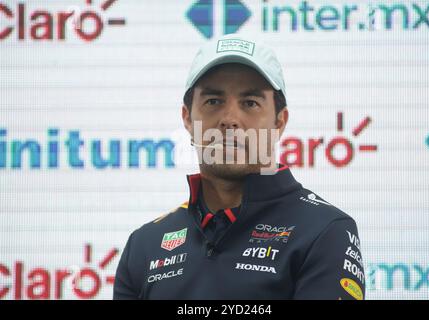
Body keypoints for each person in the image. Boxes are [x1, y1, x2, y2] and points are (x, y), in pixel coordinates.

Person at [113, 33, 365, 300]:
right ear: (187, 118)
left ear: (280, 121)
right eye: (213, 101)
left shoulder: (325, 230)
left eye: (250, 103)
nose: (230, 119)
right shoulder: (145, 244)